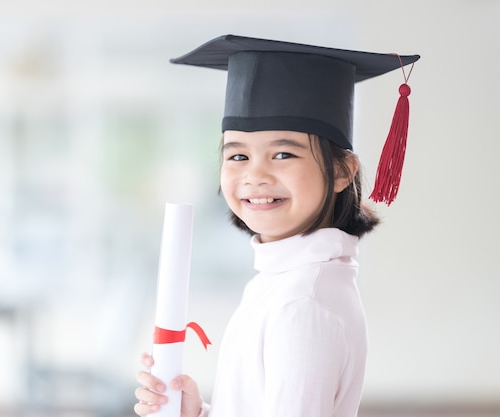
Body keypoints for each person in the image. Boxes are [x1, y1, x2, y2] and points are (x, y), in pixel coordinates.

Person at [134, 34, 419, 417]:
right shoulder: (289, 279)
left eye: (282, 153)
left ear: (340, 171)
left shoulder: (302, 303)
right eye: (237, 155)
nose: (254, 175)